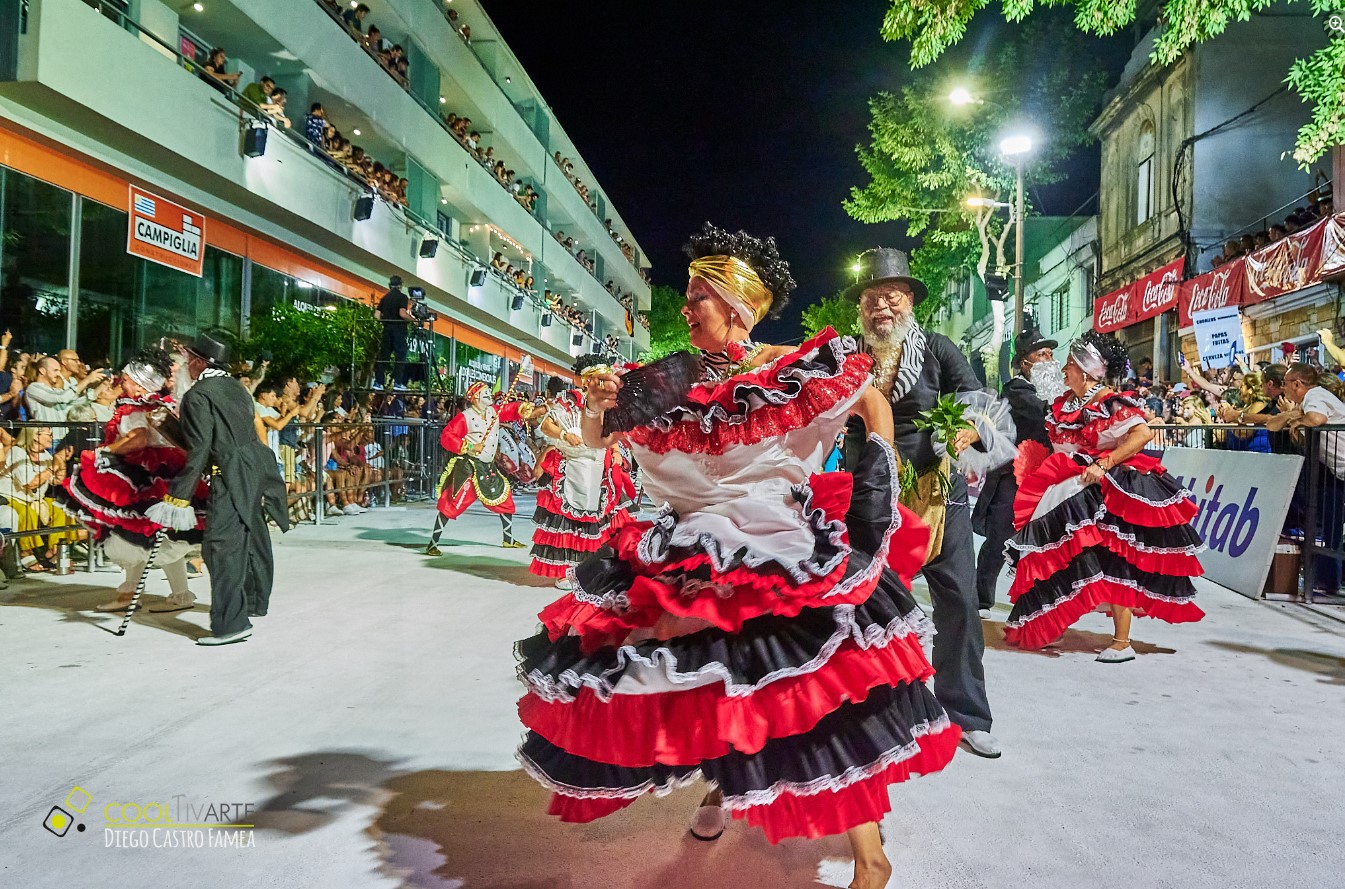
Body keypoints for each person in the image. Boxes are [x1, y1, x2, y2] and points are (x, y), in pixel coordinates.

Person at [515, 224, 954, 889]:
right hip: (692, 554)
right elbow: (594, 438)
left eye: (697, 296)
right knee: (712, 684)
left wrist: (878, 472)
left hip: (783, 550)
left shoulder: (791, 362)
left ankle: (870, 855)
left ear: (737, 303)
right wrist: (601, 403)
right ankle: (722, 789)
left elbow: (867, 400)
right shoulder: (669, 375)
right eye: (688, 297)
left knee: (810, 697)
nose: (685, 308)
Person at [849, 247, 1003, 759]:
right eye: (872, 299)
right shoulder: (850, 355)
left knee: (958, 597)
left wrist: (965, 428)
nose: (882, 308)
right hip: (869, 491)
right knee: (866, 600)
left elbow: (980, 404)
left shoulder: (938, 348)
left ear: (910, 300)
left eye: (891, 296)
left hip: (938, 490)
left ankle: (966, 713)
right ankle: (870, 712)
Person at [1003, 331, 1205, 661]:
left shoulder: (1108, 402)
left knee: (1115, 560)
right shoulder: (1063, 403)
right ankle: (1053, 623)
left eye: (1068, 364)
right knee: (1064, 562)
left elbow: (1142, 434)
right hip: (1066, 494)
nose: (1062, 369)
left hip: (1104, 493)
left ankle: (1122, 642)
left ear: (1084, 371)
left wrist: (1104, 462)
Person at [147, 333, 289, 647]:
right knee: (250, 537)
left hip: (230, 474)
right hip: (253, 468)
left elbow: (200, 449)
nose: (185, 366)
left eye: (188, 360)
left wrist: (178, 495)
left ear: (199, 362)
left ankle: (231, 624)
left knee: (221, 547)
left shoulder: (198, 395)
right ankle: (253, 602)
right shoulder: (235, 387)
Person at [57, 347, 208, 613]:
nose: (120, 382)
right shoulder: (155, 404)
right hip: (162, 472)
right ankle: (176, 594)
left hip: (142, 472)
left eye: (126, 378)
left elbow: (137, 438)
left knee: (135, 534)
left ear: (139, 384)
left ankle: (131, 595)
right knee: (157, 536)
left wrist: (105, 451)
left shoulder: (137, 407)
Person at [972, 328, 1057, 613]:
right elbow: (1045, 411)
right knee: (999, 537)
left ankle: (1035, 598)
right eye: (1040, 354)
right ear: (1024, 363)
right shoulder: (1017, 391)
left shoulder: (1050, 390)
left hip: (1044, 476)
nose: (1048, 359)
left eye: (1050, 353)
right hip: (1013, 477)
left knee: (1042, 539)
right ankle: (981, 596)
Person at [527, 362, 631, 589]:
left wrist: (614, 451)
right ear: (586, 380)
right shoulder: (569, 401)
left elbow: (612, 432)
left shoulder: (609, 403)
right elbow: (546, 426)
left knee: (600, 518)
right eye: (598, 378)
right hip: (571, 466)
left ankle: (593, 569)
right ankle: (566, 571)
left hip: (598, 466)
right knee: (568, 520)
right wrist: (564, 433)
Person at [425, 382, 533, 554]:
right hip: (470, 468)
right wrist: (468, 447)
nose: (489, 396)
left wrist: (522, 408)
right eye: (486, 393)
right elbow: (447, 436)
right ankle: (432, 543)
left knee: (505, 499)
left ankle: (508, 539)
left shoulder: (494, 412)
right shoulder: (465, 417)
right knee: (451, 504)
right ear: (475, 398)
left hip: (488, 468)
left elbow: (510, 410)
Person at [1283, 363, 1345, 597]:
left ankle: (1329, 581)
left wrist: (1300, 422)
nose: (1284, 389)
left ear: (1297, 384)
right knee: (1331, 527)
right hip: (1337, 473)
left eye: (1286, 384)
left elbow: (1317, 419)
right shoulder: (1312, 398)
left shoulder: (1313, 396)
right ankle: (1328, 581)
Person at [374, 276, 413, 390]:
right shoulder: (402, 297)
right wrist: (413, 320)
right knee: (400, 356)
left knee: (384, 356)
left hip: (387, 330)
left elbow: (376, 315)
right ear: (400, 286)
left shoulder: (385, 298)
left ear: (390, 285)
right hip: (399, 331)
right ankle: (397, 383)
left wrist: (385, 322)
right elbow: (402, 313)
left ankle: (378, 382)